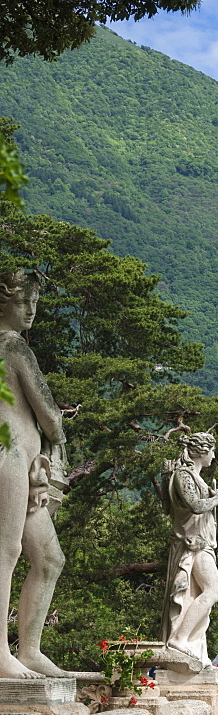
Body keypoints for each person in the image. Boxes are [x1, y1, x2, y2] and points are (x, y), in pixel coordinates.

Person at [0, 269, 67, 678]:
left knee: (48, 557)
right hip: (9, 456)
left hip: (25, 465)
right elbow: (52, 418)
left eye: (35, 303)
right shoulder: (14, 350)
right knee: (5, 554)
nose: (31, 311)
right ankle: (2, 655)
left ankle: (30, 650)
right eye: (24, 301)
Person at [160, 432, 218, 665]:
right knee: (214, 591)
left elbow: (168, 506)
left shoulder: (193, 476)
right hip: (192, 544)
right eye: (212, 451)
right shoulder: (184, 476)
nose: (214, 456)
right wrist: (216, 499)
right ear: (202, 451)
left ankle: (189, 642)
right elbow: (195, 506)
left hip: (200, 542)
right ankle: (180, 639)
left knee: (201, 593)